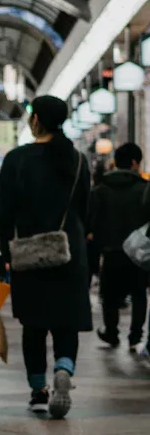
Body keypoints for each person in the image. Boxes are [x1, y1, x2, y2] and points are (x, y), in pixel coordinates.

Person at [0, 95, 90, 419]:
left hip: (30, 254)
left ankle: (38, 390)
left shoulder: (17, 159)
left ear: (36, 120)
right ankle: (64, 368)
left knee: (33, 326)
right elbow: (85, 211)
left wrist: (1, 251)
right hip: (69, 252)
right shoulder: (77, 160)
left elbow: (2, 212)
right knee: (67, 323)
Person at [89, 143, 149, 351]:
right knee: (139, 294)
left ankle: (112, 332)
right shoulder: (143, 189)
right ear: (134, 162)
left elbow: (92, 221)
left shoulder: (101, 189)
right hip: (139, 253)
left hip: (111, 250)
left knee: (109, 295)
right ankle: (135, 336)